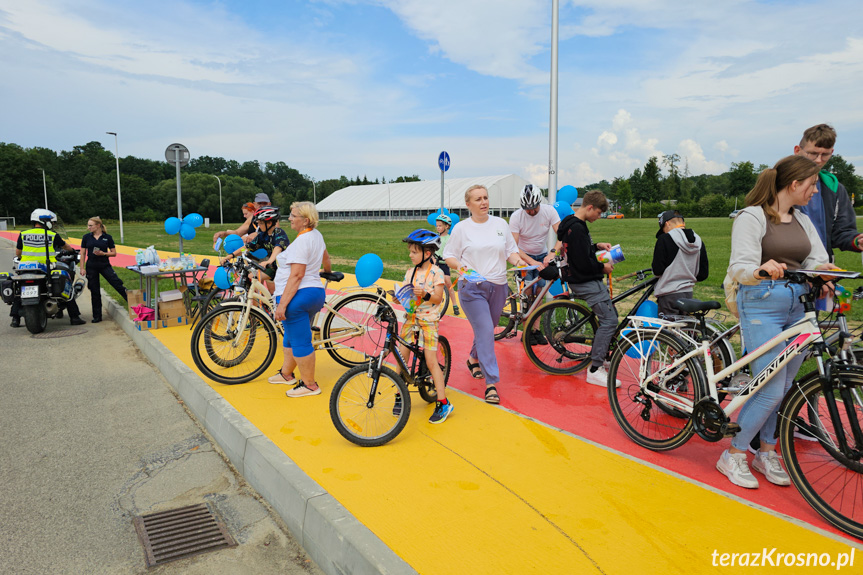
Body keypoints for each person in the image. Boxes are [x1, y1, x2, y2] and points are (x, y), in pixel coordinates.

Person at [720, 155, 835, 489]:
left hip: (797, 304)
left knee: (783, 387)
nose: (815, 191)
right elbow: (740, 265)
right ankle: (734, 454)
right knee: (769, 388)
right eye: (812, 184)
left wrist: (824, 272)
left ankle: (766, 451)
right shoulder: (752, 217)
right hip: (762, 301)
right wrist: (759, 269)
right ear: (794, 184)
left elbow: (816, 256)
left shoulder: (801, 219)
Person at [443, 184, 528, 404]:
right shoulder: (462, 228)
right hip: (472, 289)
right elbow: (449, 255)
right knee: (487, 330)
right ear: (468, 204)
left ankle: (473, 359)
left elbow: (510, 251)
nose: (484, 202)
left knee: (486, 330)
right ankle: (491, 384)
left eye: (486, 198)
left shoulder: (500, 224)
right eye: (478, 199)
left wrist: (518, 262)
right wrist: (464, 271)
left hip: (499, 287)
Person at [556, 190, 619, 387]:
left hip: (579, 277)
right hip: (584, 280)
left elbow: (580, 252)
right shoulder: (578, 228)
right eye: (599, 213)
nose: (599, 217)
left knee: (611, 313)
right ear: (589, 207)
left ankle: (602, 355)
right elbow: (582, 263)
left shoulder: (571, 224)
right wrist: (603, 266)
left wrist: (596, 246)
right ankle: (595, 368)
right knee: (610, 320)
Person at [270, 202, 331, 398]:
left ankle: (310, 385)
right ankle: (287, 374)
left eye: (293, 215)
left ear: (305, 220)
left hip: (299, 295)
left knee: (301, 340)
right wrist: (328, 273)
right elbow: (325, 257)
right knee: (292, 335)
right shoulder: (315, 236)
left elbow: (297, 275)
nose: (289, 218)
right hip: (313, 292)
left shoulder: (303, 241)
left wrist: (282, 305)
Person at [397, 230, 451, 423]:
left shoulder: (437, 272)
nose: (410, 255)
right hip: (411, 318)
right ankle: (399, 393)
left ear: (427, 254)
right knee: (401, 357)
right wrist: (399, 296)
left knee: (430, 361)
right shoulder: (410, 272)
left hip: (429, 320)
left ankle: (443, 402)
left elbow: (437, 299)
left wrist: (425, 294)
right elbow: (409, 298)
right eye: (410, 251)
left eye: (413, 252)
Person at [793, 124, 863, 260]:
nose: (819, 160)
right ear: (797, 150)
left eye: (825, 154)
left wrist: (857, 241)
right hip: (785, 268)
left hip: (822, 267)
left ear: (832, 152)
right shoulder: (777, 182)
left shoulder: (835, 188)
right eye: (813, 153)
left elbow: (842, 232)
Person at [11, 209, 85, 327]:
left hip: (25, 268)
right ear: (45, 221)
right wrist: (72, 251)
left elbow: (18, 252)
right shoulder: (52, 234)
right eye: (52, 222)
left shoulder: (23, 234)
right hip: (47, 268)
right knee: (67, 286)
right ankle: (74, 317)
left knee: (20, 291)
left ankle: (15, 319)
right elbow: (65, 246)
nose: (53, 224)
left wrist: (22, 258)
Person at [508, 184, 561, 301]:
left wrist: (553, 252)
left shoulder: (549, 211)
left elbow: (562, 235)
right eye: (527, 209)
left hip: (542, 254)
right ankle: (526, 316)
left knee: (540, 290)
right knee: (527, 289)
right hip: (523, 256)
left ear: (539, 202)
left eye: (534, 208)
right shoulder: (516, 217)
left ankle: (535, 318)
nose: (531, 211)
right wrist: (531, 261)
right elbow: (513, 246)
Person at [651, 210, 709, 317]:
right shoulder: (699, 241)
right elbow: (702, 274)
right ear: (683, 223)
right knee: (685, 329)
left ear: (667, 224)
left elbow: (657, 270)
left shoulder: (664, 239)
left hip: (668, 294)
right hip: (688, 294)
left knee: (668, 331)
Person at [221, 207, 289, 289]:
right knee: (252, 276)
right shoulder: (262, 235)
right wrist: (231, 255)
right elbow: (247, 247)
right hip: (272, 267)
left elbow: (278, 248)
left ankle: (261, 299)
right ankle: (257, 299)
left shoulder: (279, 233)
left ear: (269, 223)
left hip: (284, 268)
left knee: (274, 294)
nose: (259, 226)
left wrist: (269, 261)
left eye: (260, 223)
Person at [78, 216, 128, 323]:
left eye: (91, 225)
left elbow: (114, 253)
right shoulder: (86, 237)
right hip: (91, 267)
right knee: (94, 291)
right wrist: (82, 268)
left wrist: (103, 253)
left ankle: (132, 303)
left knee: (117, 283)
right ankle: (97, 316)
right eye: (88, 225)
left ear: (98, 225)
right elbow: (82, 253)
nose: (89, 227)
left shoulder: (107, 237)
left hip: (104, 265)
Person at [433, 214, 459, 316]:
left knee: (448, 282)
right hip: (435, 263)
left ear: (447, 226)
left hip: (444, 263)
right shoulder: (435, 238)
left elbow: (453, 251)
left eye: (440, 226)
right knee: (433, 283)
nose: (438, 227)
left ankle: (455, 304)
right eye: (437, 226)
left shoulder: (449, 238)